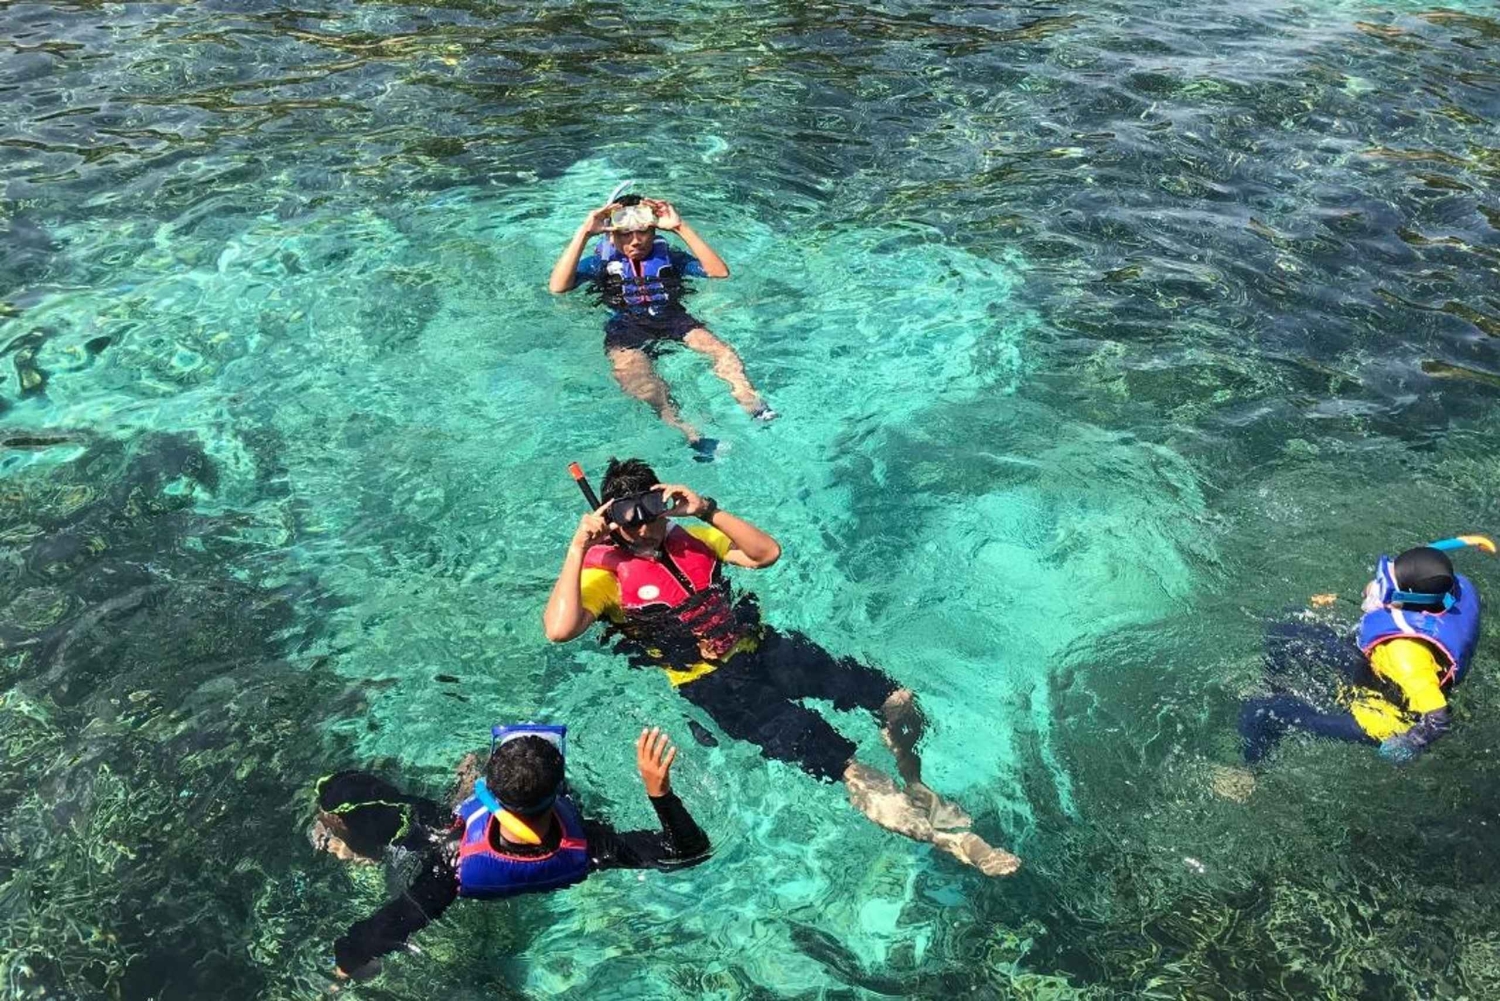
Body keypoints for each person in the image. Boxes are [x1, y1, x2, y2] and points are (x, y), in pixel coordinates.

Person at [542, 457, 1020, 877]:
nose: (646, 529)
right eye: (631, 521)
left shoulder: (692, 538)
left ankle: (915, 783)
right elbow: (559, 630)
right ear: (611, 521)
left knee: (897, 699)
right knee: (850, 769)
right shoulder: (605, 575)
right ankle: (953, 842)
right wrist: (578, 546)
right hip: (714, 687)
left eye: (653, 512)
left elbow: (766, 554)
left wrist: (705, 509)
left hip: (766, 649)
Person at [312, 724, 710, 981]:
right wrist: (659, 791)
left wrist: (344, 967)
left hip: (456, 846)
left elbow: (386, 927)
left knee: (343, 792)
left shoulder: (452, 861)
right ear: (560, 792)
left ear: (489, 792)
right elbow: (687, 852)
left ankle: (365, 840)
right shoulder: (591, 845)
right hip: (545, 842)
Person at [547, 193, 775, 460]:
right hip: (625, 328)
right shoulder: (600, 263)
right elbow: (558, 287)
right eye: (625, 234)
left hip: (673, 318)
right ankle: (692, 435)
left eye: (643, 231)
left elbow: (719, 272)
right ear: (611, 235)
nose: (635, 240)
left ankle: (753, 404)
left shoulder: (670, 257)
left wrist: (680, 227)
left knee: (722, 352)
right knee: (641, 384)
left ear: (654, 230)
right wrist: (584, 233)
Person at [1236, 537, 1490, 769]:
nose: (1373, 588)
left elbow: (1439, 717)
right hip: (1377, 668)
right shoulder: (1440, 595)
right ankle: (1274, 684)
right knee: (1286, 627)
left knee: (1260, 711)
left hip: (1381, 718)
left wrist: (1411, 743)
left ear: (1406, 600)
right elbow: (1407, 577)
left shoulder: (1406, 657)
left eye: (1384, 587)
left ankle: (1248, 773)